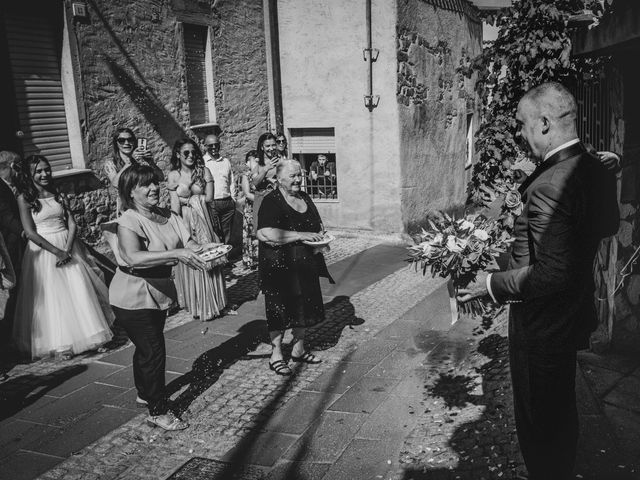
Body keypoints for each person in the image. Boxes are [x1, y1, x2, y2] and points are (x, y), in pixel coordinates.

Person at [457, 82, 619, 480]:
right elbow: (608, 223)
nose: (520, 133)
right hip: (570, 317)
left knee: (540, 428)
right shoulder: (592, 167)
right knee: (561, 417)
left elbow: (552, 272)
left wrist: (490, 284)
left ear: (544, 123)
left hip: (543, 327)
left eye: (523, 124)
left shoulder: (552, 184)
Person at [107, 164, 206, 431]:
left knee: (145, 348)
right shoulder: (129, 219)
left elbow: (191, 245)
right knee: (153, 349)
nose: (153, 188)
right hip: (131, 293)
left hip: (158, 292)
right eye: (145, 185)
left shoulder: (168, 215)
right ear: (130, 192)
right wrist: (177, 255)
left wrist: (210, 250)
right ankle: (158, 411)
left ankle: (144, 393)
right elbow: (133, 257)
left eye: (154, 182)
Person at [11, 155, 114, 360]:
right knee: (53, 296)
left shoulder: (57, 192)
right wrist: (57, 252)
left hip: (67, 244)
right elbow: (30, 232)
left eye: (46, 169)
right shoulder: (24, 198)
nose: (44, 174)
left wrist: (67, 248)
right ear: (30, 175)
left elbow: (72, 222)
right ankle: (61, 344)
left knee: (78, 289)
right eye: (38, 171)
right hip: (43, 250)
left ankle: (92, 335)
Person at [256, 159, 334, 375]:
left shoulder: (305, 197)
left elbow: (317, 225)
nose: (299, 179)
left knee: (304, 305)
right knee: (279, 309)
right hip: (279, 264)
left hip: (305, 263)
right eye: (293, 176)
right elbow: (265, 233)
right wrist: (301, 235)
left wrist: (322, 238)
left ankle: (298, 349)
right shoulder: (271, 201)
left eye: (300, 175)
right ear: (280, 179)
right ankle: (276, 354)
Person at [168, 139, 227, 321]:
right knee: (191, 260)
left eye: (194, 152)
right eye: (186, 153)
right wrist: (175, 229)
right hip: (185, 221)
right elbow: (174, 206)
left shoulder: (204, 171)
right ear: (178, 154)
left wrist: (192, 201)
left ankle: (213, 304)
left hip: (204, 220)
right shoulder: (173, 176)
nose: (191, 156)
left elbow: (209, 199)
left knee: (208, 259)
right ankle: (198, 305)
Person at [0, 151, 24, 337]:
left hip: (15, 241)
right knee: (14, 283)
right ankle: (11, 328)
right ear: (11, 166)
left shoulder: (12, 185)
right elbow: (6, 217)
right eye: (17, 166)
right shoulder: (0, 187)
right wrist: (26, 232)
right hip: (10, 243)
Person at [203, 134, 236, 244]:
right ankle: (218, 258)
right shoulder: (202, 162)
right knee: (215, 232)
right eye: (210, 145)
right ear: (205, 146)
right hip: (212, 203)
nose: (213, 148)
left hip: (227, 202)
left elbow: (231, 181)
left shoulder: (225, 161)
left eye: (216, 145)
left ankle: (226, 257)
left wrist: (233, 199)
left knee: (227, 232)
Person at [252, 132, 280, 228]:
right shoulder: (256, 162)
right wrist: (266, 169)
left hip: (277, 198)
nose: (271, 148)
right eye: (267, 146)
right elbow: (255, 182)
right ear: (262, 147)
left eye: (273, 145)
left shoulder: (281, 160)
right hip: (262, 198)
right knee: (262, 227)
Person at [241, 150, 259, 269]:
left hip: (260, 205)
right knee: (251, 232)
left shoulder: (261, 173)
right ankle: (251, 259)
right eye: (253, 161)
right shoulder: (246, 176)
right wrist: (261, 201)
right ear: (247, 163)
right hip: (251, 207)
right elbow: (247, 193)